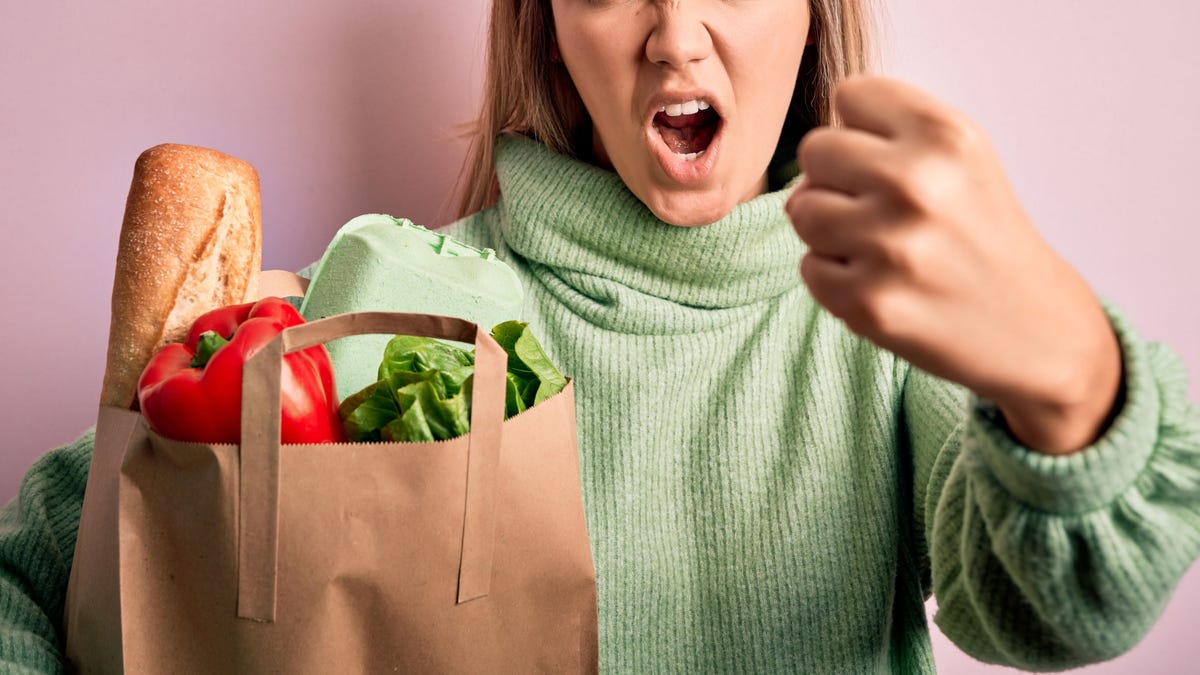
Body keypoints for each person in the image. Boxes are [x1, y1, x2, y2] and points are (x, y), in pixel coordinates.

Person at [2, 0, 1198, 672]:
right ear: (547, 29)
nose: (674, 34)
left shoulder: (883, 326)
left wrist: (1065, 379)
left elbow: (1059, 614)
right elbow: (52, 569)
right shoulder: (399, 300)